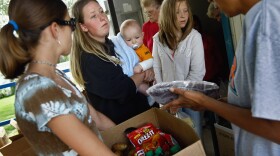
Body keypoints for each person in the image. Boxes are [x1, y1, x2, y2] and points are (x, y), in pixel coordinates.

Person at [163, 0, 280, 155]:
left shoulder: (267, 20)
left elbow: (275, 128)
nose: (210, 1)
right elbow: (259, 104)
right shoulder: (258, 18)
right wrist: (214, 103)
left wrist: (205, 102)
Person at [0, 0, 116, 155]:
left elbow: (96, 118)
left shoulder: (55, 75)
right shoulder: (37, 91)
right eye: (71, 23)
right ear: (55, 29)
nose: (72, 31)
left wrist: (130, 136)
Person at [70, 0, 152, 125]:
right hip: (127, 128)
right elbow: (124, 89)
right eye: (93, 16)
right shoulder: (89, 59)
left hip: (144, 117)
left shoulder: (113, 45)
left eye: (101, 11)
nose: (102, 17)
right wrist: (143, 73)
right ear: (83, 26)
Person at [153, 0, 205, 137]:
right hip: (167, 100)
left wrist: (179, 97)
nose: (183, 16)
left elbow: (197, 73)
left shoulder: (194, 37)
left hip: (190, 98)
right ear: (167, 14)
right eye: (177, 12)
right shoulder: (157, 39)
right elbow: (156, 68)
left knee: (194, 137)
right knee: (174, 140)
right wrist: (166, 97)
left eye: (185, 11)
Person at [120, 19, 153, 98]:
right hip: (134, 78)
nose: (134, 42)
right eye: (129, 40)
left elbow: (151, 61)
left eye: (137, 37)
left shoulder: (143, 49)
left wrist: (141, 66)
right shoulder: (127, 50)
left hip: (145, 76)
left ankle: (151, 96)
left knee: (142, 87)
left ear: (142, 35)